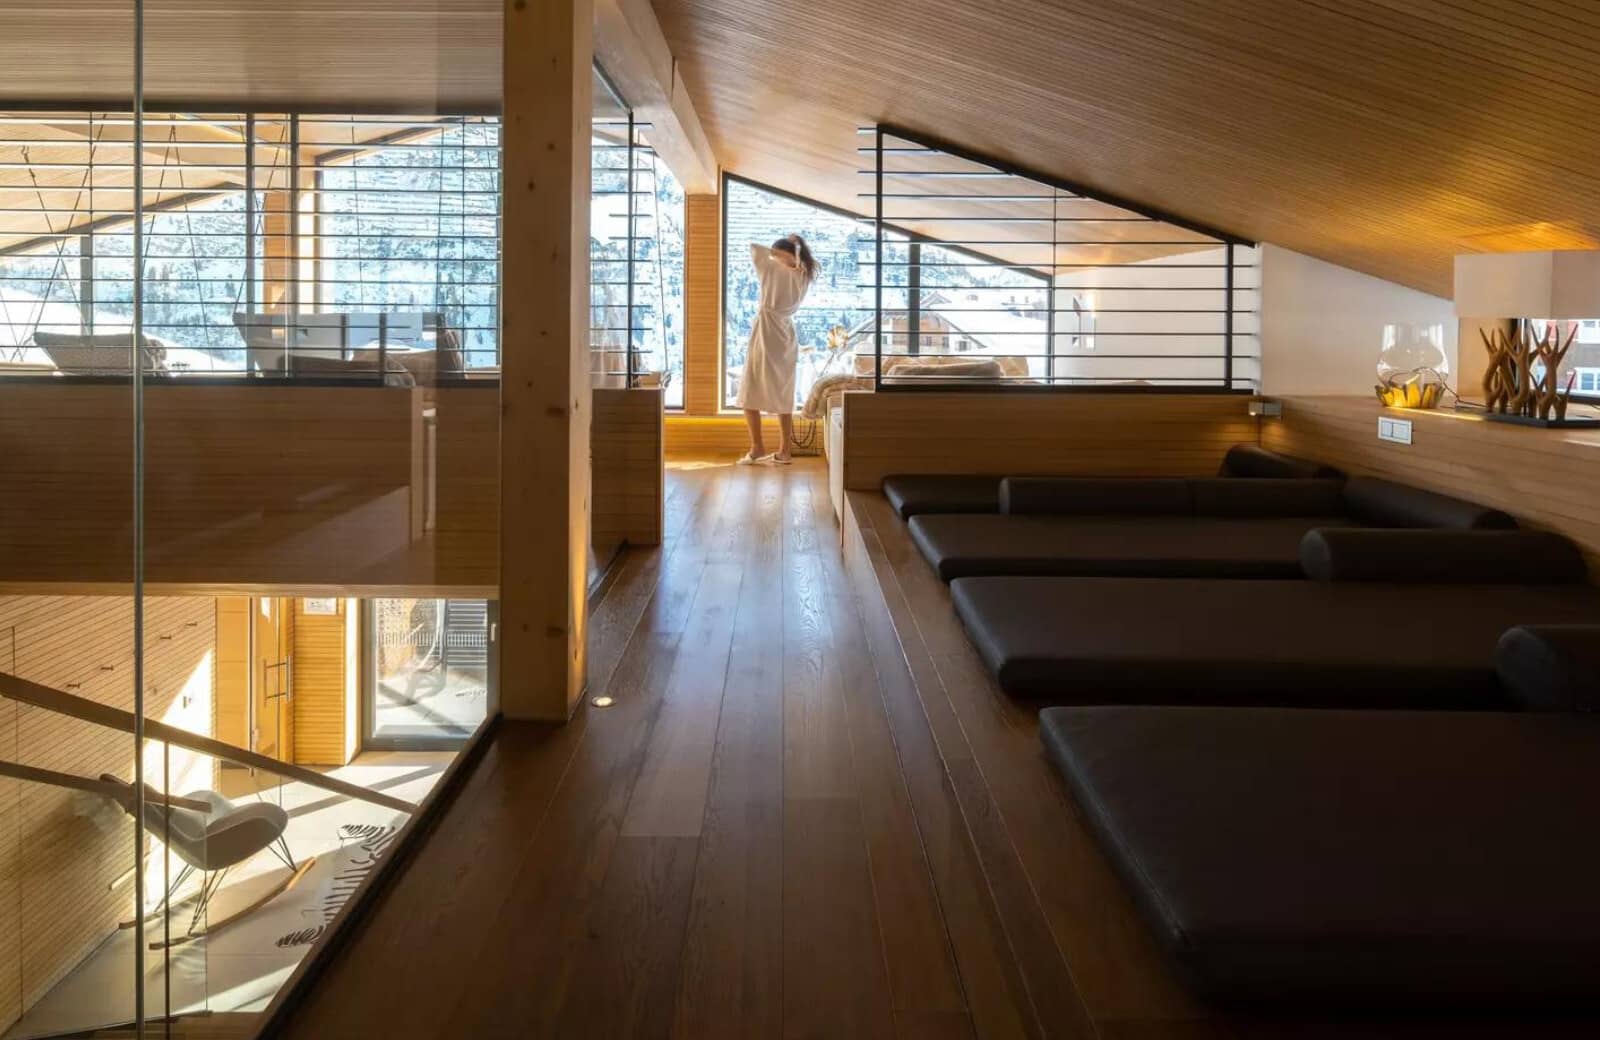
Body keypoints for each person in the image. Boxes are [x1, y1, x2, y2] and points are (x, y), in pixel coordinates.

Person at [736, 233, 818, 465]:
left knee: (749, 390)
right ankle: (785, 451)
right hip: (785, 334)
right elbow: (765, 252)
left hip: (766, 332)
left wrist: (784, 250)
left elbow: (754, 247)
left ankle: (757, 447)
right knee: (784, 392)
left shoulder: (771, 269)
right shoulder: (803, 275)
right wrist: (796, 247)